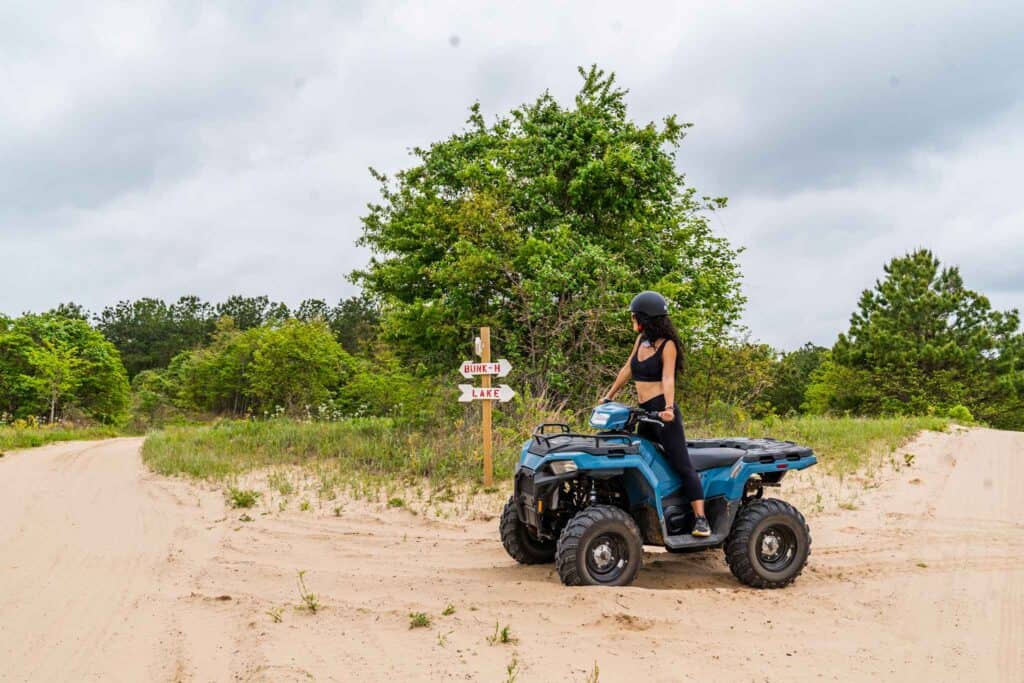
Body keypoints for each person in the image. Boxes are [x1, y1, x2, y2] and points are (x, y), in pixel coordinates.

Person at [601, 291, 709, 537]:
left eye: (634, 317)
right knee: (644, 459)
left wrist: (668, 408)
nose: (632, 322)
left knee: (682, 464)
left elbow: (668, 378)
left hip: (662, 412)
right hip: (644, 414)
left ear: (646, 318)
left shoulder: (667, 346)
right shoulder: (641, 341)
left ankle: (701, 519)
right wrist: (609, 396)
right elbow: (627, 368)